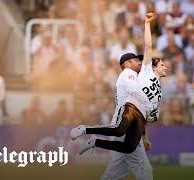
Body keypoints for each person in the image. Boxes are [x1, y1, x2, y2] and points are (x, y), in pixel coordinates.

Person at [71, 13, 166, 180]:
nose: (139, 62)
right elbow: (148, 48)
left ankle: (94, 140)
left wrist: (145, 136)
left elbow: (144, 115)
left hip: (134, 122)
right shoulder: (130, 74)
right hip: (126, 119)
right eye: (136, 60)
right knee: (144, 171)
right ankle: (88, 132)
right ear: (127, 64)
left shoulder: (153, 85)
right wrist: (146, 24)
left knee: (116, 173)